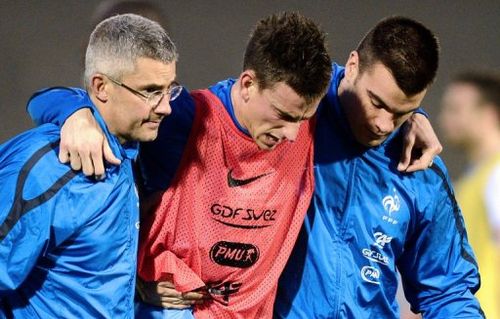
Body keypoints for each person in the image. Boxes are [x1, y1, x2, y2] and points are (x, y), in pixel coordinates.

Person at [25, 13, 443, 319]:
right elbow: (112, 107)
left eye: (303, 119)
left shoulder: (316, 115)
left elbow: (360, 96)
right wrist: (74, 110)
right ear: (247, 83)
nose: (293, 135)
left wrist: (413, 120)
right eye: (282, 115)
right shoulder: (187, 120)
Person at [273, 16, 484, 319]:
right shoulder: (294, 115)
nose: (383, 125)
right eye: (377, 102)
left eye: (402, 112)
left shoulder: (420, 167)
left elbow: (447, 290)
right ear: (353, 65)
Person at [0, 14, 179, 318]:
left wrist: (133, 286)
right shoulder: (51, 168)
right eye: (150, 91)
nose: (165, 107)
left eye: (169, 89)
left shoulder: (127, 152)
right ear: (101, 87)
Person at [439, 71, 500, 319]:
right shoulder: (466, 184)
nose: (443, 119)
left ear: (488, 114)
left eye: (455, 109)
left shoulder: (497, 173)